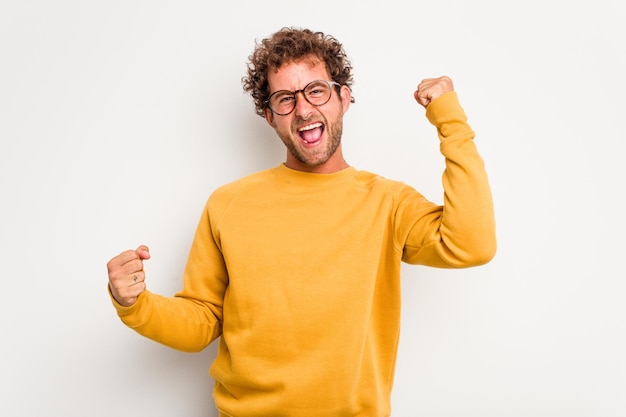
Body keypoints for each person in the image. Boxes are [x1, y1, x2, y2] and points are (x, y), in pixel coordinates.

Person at [107, 27, 496, 417]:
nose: (304, 109)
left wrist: (450, 120)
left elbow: (471, 244)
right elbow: (202, 320)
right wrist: (136, 304)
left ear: (343, 98)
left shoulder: (387, 202)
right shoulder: (228, 203)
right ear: (269, 116)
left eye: (316, 90)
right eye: (285, 99)